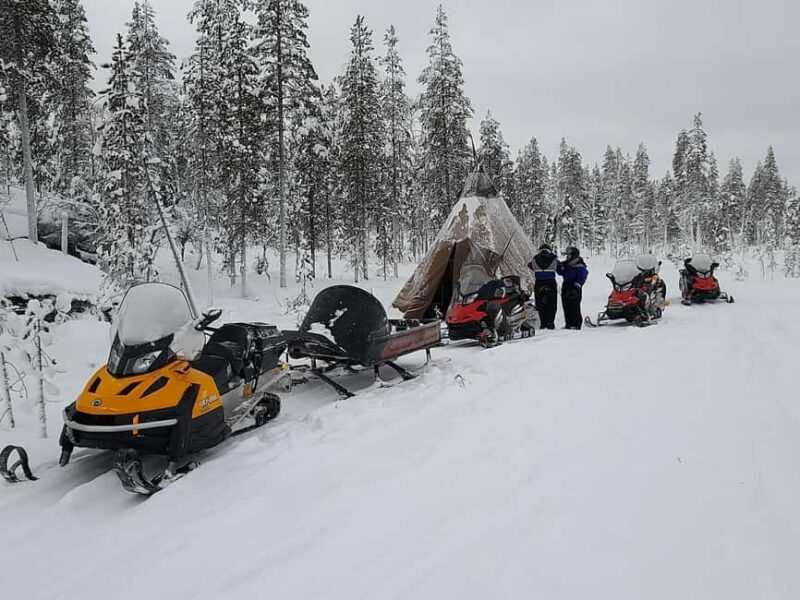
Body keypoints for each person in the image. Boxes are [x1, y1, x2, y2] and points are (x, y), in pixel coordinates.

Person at [527, 243, 559, 329]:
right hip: (550, 282)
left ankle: (543, 323)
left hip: (539, 283)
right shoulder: (554, 259)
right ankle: (550, 322)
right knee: (552, 303)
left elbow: (529, 265)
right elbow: (559, 267)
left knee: (539, 303)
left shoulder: (535, 259)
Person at [557, 246, 588, 329]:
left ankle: (576, 324)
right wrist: (558, 266)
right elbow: (561, 271)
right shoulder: (567, 264)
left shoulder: (579, 264)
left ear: (573, 255)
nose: (567, 257)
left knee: (574, 306)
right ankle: (569, 323)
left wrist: (577, 285)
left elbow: (583, 275)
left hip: (574, 287)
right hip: (566, 285)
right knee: (566, 306)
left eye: (569, 255)